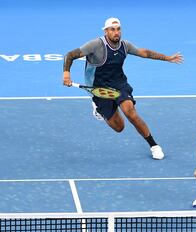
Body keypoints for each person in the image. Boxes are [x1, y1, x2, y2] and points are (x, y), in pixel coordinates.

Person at [62, 17, 183, 160]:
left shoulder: (125, 45)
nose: (116, 32)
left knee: (130, 112)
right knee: (119, 127)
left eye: (118, 29)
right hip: (99, 88)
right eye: (112, 29)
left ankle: (154, 146)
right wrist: (66, 75)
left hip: (119, 84)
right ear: (106, 31)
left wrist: (167, 58)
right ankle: (98, 107)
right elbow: (70, 55)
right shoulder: (95, 45)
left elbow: (144, 52)